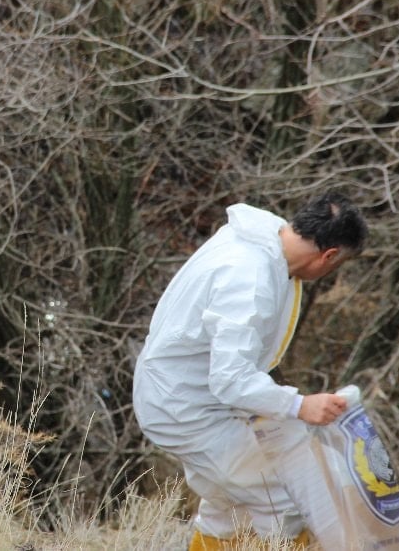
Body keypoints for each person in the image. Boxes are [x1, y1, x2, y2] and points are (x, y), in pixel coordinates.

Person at [132, 193, 368, 550]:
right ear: (329, 255)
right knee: (282, 499)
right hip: (186, 409)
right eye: (335, 266)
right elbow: (232, 379)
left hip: (191, 397)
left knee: (231, 504)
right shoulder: (249, 279)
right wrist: (300, 405)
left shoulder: (265, 240)